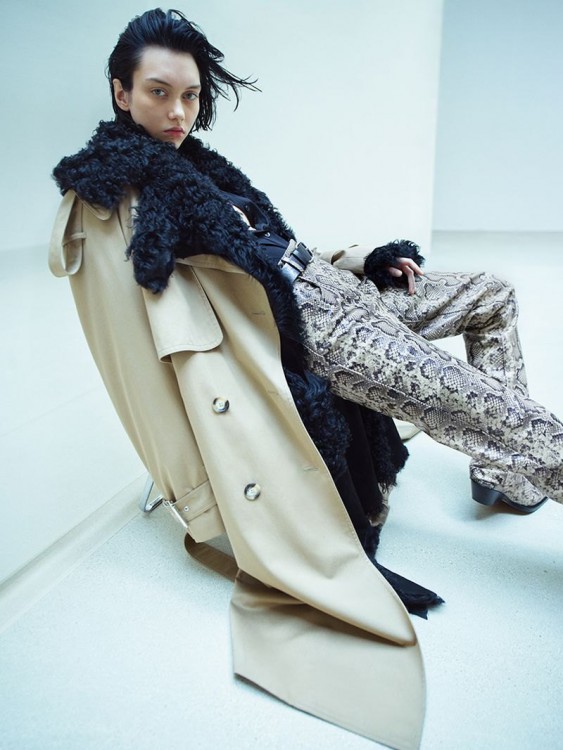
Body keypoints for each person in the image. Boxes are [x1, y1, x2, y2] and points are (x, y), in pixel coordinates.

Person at [49, 9, 562, 749]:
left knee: (492, 293)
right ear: (121, 92)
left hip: (336, 290)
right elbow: (132, 350)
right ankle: (525, 457)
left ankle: (505, 479)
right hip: (313, 331)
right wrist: (196, 488)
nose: (178, 112)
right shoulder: (111, 197)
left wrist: (364, 261)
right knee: (488, 410)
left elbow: (274, 245)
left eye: (190, 95)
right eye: (159, 93)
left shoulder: (198, 167)